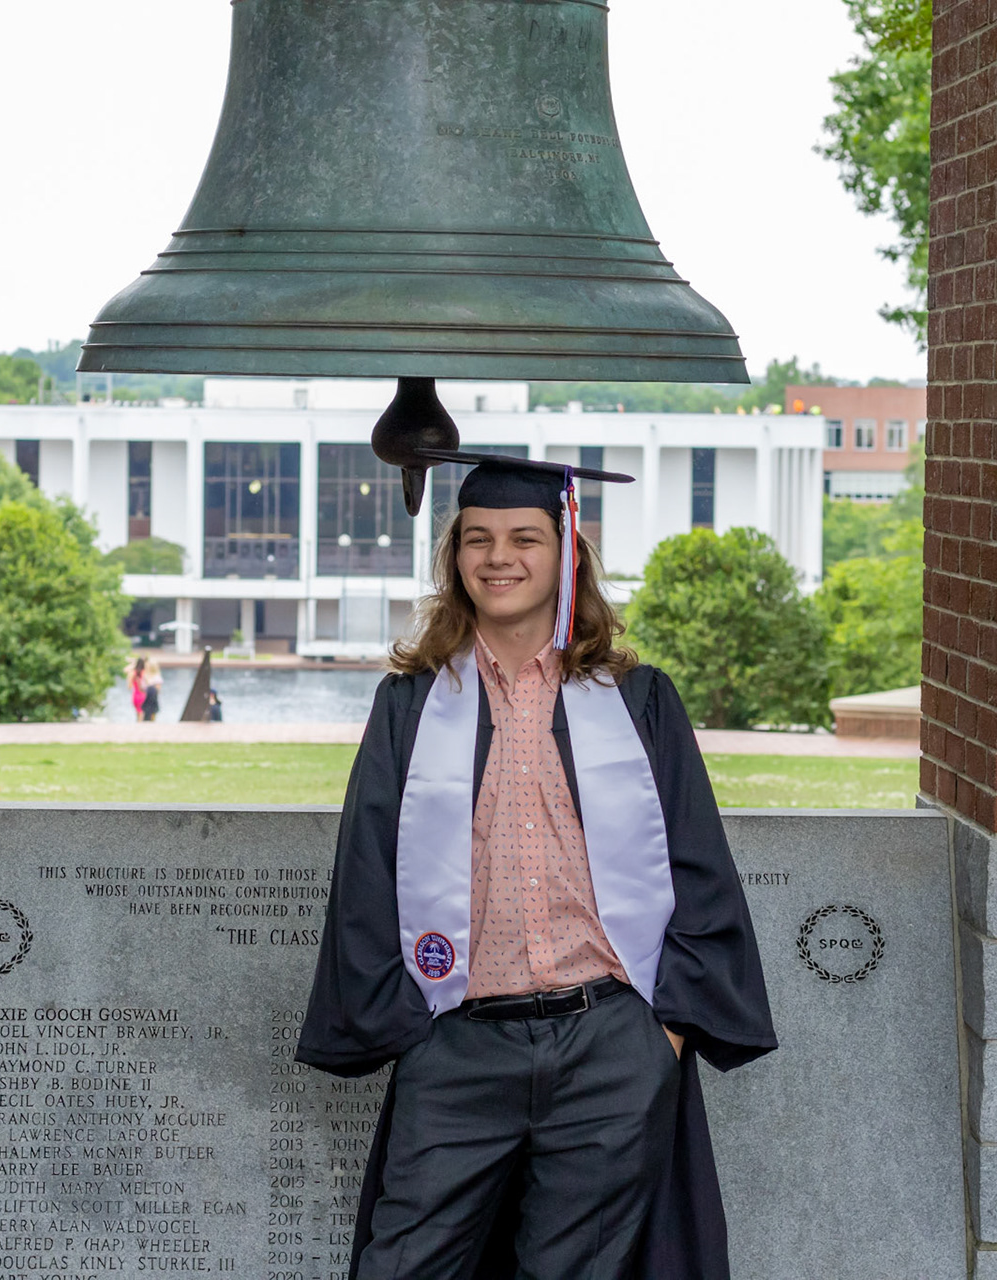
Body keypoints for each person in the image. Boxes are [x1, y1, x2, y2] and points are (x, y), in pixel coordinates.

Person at [297, 455, 775, 1280]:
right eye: (477, 538)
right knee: (403, 1264)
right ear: (455, 557)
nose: (498, 557)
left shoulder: (637, 699)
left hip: (609, 1044)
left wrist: (660, 1035)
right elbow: (366, 871)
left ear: (566, 552)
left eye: (524, 537)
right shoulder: (412, 703)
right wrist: (412, 1026)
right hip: (458, 1040)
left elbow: (697, 864)